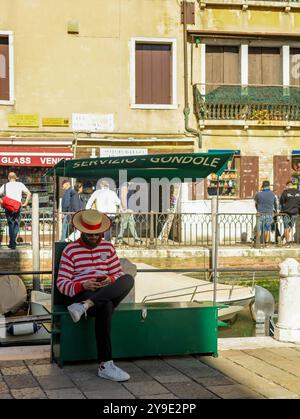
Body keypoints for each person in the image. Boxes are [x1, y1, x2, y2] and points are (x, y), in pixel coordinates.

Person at [56, 209, 134, 381]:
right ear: (82, 231)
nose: (94, 238)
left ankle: (86, 306)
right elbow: (62, 284)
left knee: (128, 279)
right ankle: (106, 364)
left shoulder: (108, 247)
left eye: (97, 234)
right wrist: (83, 284)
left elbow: (119, 276)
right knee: (106, 305)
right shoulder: (70, 250)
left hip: (102, 292)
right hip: (81, 293)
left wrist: (109, 278)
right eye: (90, 235)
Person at [0, 172, 31, 249]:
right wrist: (25, 203)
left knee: (11, 224)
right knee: (16, 224)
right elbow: (29, 193)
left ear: (8, 178)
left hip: (8, 207)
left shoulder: (5, 185)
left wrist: (3, 202)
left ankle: (12, 243)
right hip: (17, 206)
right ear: (16, 177)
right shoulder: (20, 184)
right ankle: (13, 242)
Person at [254, 180, 278, 244]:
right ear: (269, 186)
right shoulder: (273, 194)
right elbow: (275, 204)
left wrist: (258, 209)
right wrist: (275, 212)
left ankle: (258, 242)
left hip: (260, 214)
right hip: (269, 213)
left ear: (263, 186)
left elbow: (256, 204)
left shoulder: (258, 194)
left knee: (259, 228)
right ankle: (266, 242)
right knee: (267, 229)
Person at [280, 180, 300, 246]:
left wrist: (281, 210)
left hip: (286, 212)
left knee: (286, 227)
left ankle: (287, 241)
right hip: (295, 212)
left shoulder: (285, 192)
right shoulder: (298, 192)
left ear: (287, 185)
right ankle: (284, 238)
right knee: (290, 227)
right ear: (292, 185)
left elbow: (281, 202)